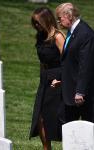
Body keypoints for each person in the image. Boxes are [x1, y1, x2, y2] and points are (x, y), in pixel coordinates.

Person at [29, 7, 65, 150]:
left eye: (38, 22)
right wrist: (42, 79)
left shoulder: (57, 37)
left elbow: (68, 62)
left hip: (58, 81)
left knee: (54, 118)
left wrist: (62, 80)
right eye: (34, 23)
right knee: (40, 118)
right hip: (45, 81)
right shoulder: (40, 37)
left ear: (46, 20)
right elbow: (42, 62)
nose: (36, 26)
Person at [55, 3, 94, 123]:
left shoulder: (85, 34)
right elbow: (70, 61)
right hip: (70, 89)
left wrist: (80, 91)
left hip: (82, 94)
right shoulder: (72, 32)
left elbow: (86, 65)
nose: (58, 22)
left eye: (60, 18)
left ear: (69, 16)